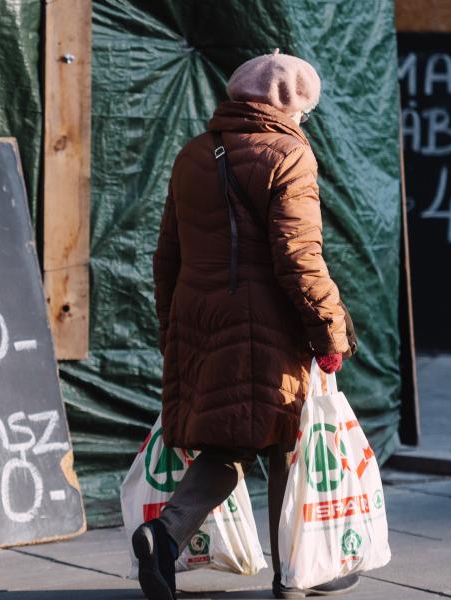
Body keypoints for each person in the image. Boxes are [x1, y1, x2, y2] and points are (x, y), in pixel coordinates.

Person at [132, 51, 360, 600]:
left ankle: (162, 536)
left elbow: (167, 257)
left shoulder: (192, 154)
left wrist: (174, 331)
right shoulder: (288, 154)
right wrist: (330, 332)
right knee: (284, 443)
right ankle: (296, 576)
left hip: (200, 320)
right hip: (266, 329)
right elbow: (299, 257)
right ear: (290, 105)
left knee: (228, 442)